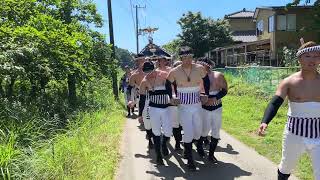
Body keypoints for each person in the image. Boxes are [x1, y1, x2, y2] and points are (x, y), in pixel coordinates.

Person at [258, 41, 320, 180]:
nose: (313, 60)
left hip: (318, 132)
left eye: (316, 56)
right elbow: (275, 102)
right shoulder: (289, 81)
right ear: (299, 59)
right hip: (294, 133)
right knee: (286, 167)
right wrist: (265, 121)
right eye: (308, 56)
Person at [166, 46, 210, 170]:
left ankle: (188, 147)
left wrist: (205, 93)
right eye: (184, 57)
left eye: (190, 57)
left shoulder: (199, 68)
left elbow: (206, 80)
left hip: (197, 104)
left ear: (193, 57)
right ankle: (190, 161)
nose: (187, 60)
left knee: (198, 131)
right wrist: (172, 96)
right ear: (181, 58)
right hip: (183, 106)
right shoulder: (174, 71)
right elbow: (167, 84)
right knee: (189, 131)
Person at [139, 60, 172, 165]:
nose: (149, 73)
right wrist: (140, 114)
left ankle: (164, 144)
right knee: (156, 132)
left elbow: (170, 89)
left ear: (154, 68)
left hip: (166, 108)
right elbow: (142, 99)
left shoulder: (163, 76)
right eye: (146, 72)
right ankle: (158, 156)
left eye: (150, 70)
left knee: (168, 132)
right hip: (153, 109)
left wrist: (172, 98)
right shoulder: (144, 82)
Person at [197, 57, 228, 163]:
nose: (200, 67)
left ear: (208, 65)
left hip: (216, 107)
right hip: (203, 107)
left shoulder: (218, 75)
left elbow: (224, 90)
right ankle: (199, 148)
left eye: (202, 65)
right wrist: (203, 98)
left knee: (216, 131)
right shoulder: (197, 76)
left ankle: (211, 154)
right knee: (204, 130)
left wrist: (215, 98)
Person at [127, 53, 154, 149]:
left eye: (143, 60)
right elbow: (129, 89)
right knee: (146, 118)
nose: (142, 62)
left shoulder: (153, 71)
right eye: (139, 60)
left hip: (155, 96)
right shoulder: (134, 75)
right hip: (142, 98)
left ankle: (155, 135)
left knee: (155, 117)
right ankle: (150, 138)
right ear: (137, 61)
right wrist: (130, 100)